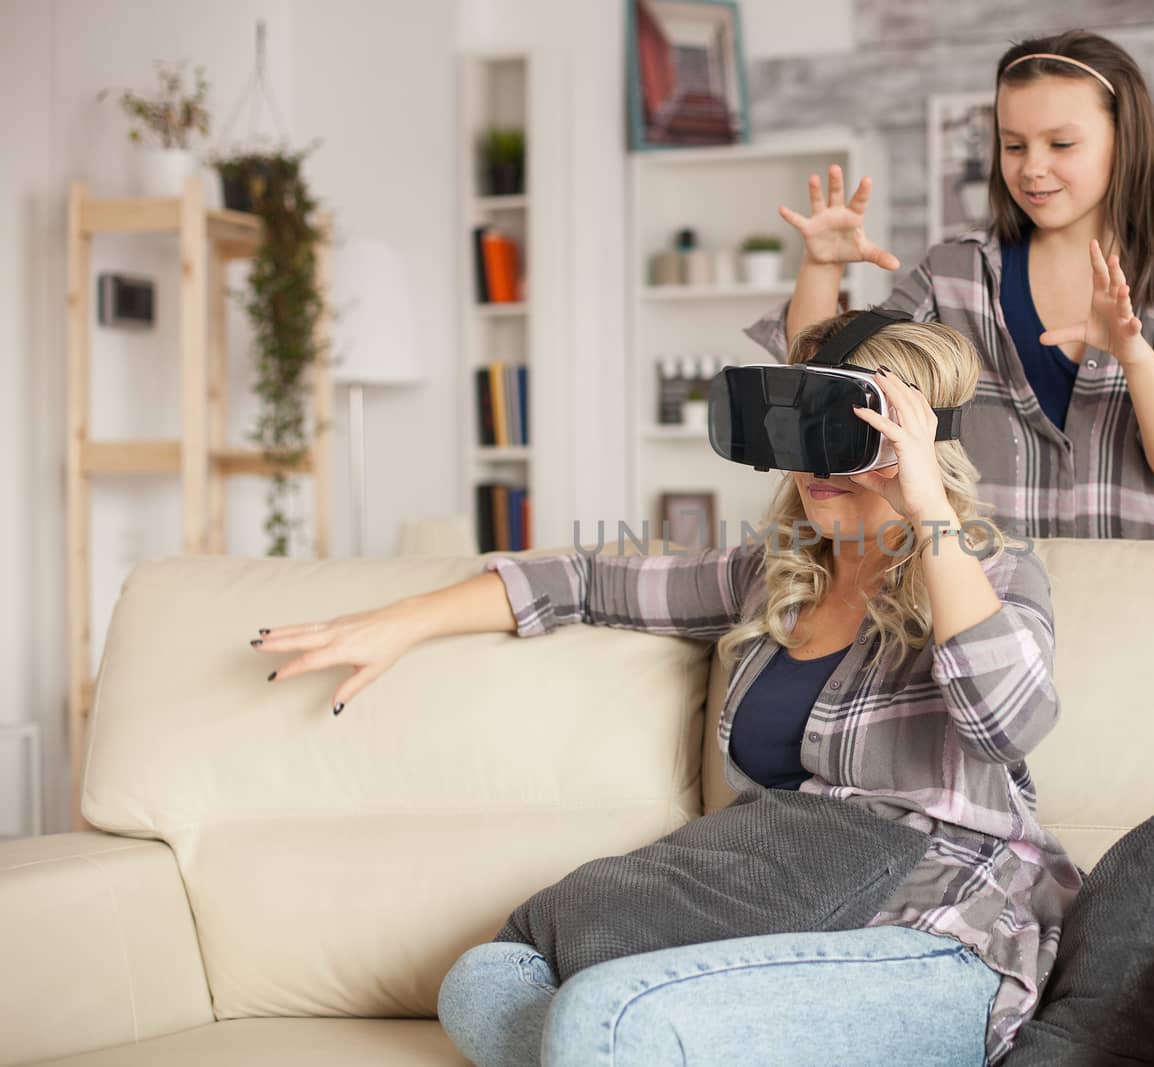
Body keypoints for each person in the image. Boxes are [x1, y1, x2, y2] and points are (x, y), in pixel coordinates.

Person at [250, 313, 1079, 1066]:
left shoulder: (993, 569)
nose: (809, 465)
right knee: (486, 978)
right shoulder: (775, 579)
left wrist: (926, 503)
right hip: (774, 913)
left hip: (934, 941)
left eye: (844, 436)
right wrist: (403, 621)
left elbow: (1005, 723)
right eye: (796, 431)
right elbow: (587, 578)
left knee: (603, 1021)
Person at [749, 29, 1154, 540]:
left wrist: (1133, 354)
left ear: (1122, 141)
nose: (1033, 168)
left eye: (1061, 143)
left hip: (1137, 595)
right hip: (989, 589)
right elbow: (827, 379)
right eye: (1013, 145)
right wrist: (822, 267)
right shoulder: (956, 271)